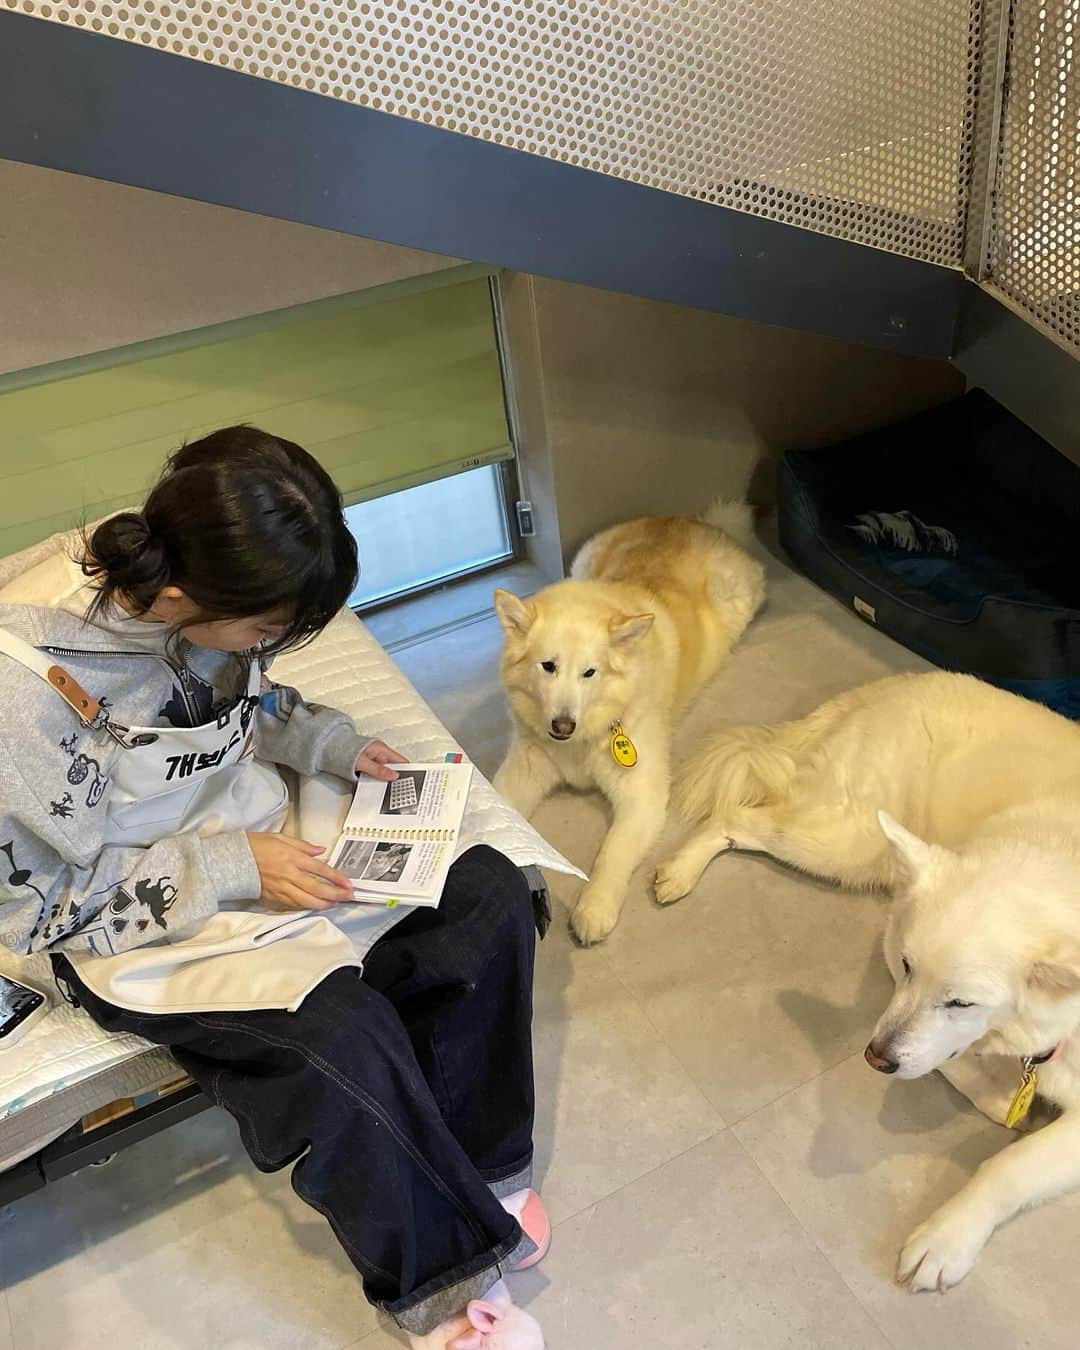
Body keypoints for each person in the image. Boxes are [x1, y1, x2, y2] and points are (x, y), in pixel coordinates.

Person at [0, 427, 548, 1348]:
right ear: (181, 596)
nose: (270, 646)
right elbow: (46, 911)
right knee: (340, 1036)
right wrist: (233, 867)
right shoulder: (27, 699)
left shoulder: (188, 570)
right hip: (134, 920)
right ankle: (446, 1299)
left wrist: (329, 744)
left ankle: (479, 1173)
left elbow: (246, 700)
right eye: (266, 628)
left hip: (250, 828)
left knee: (486, 891)